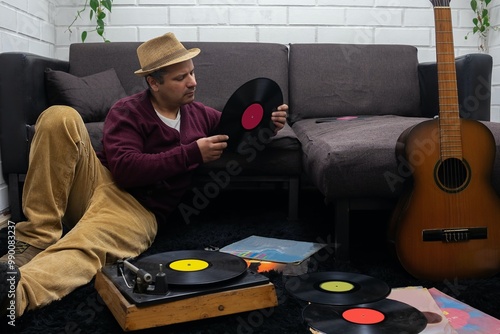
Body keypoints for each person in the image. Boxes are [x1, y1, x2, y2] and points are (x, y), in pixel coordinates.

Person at [0, 32, 288, 319]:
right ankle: (38, 236)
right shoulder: (126, 111)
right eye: (180, 78)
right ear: (153, 82)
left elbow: (236, 130)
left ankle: (17, 290)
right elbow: (125, 170)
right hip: (101, 181)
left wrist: (268, 125)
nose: (193, 82)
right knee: (59, 116)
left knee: (88, 245)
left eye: (192, 73)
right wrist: (191, 153)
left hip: (138, 210)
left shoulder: (199, 114)